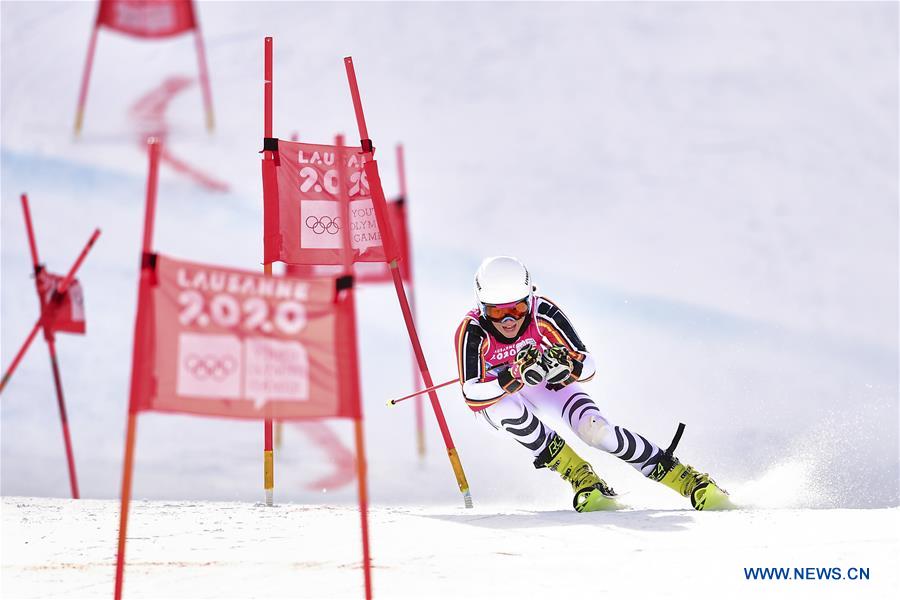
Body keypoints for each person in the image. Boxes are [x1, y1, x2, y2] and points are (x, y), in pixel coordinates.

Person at [454, 256, 732, 512]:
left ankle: (687, 479)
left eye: (517, 307)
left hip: (542, 387)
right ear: (481, 308)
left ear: (530, 297)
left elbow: (588, 365)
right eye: (497, 312)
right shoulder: (473, 330)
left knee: (597, 431)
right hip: (496, 402)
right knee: (507, 410)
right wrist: (512, 375)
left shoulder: (543, 313)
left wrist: (567, 366)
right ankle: (581, 476)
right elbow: (472, 394)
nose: (509, 320)